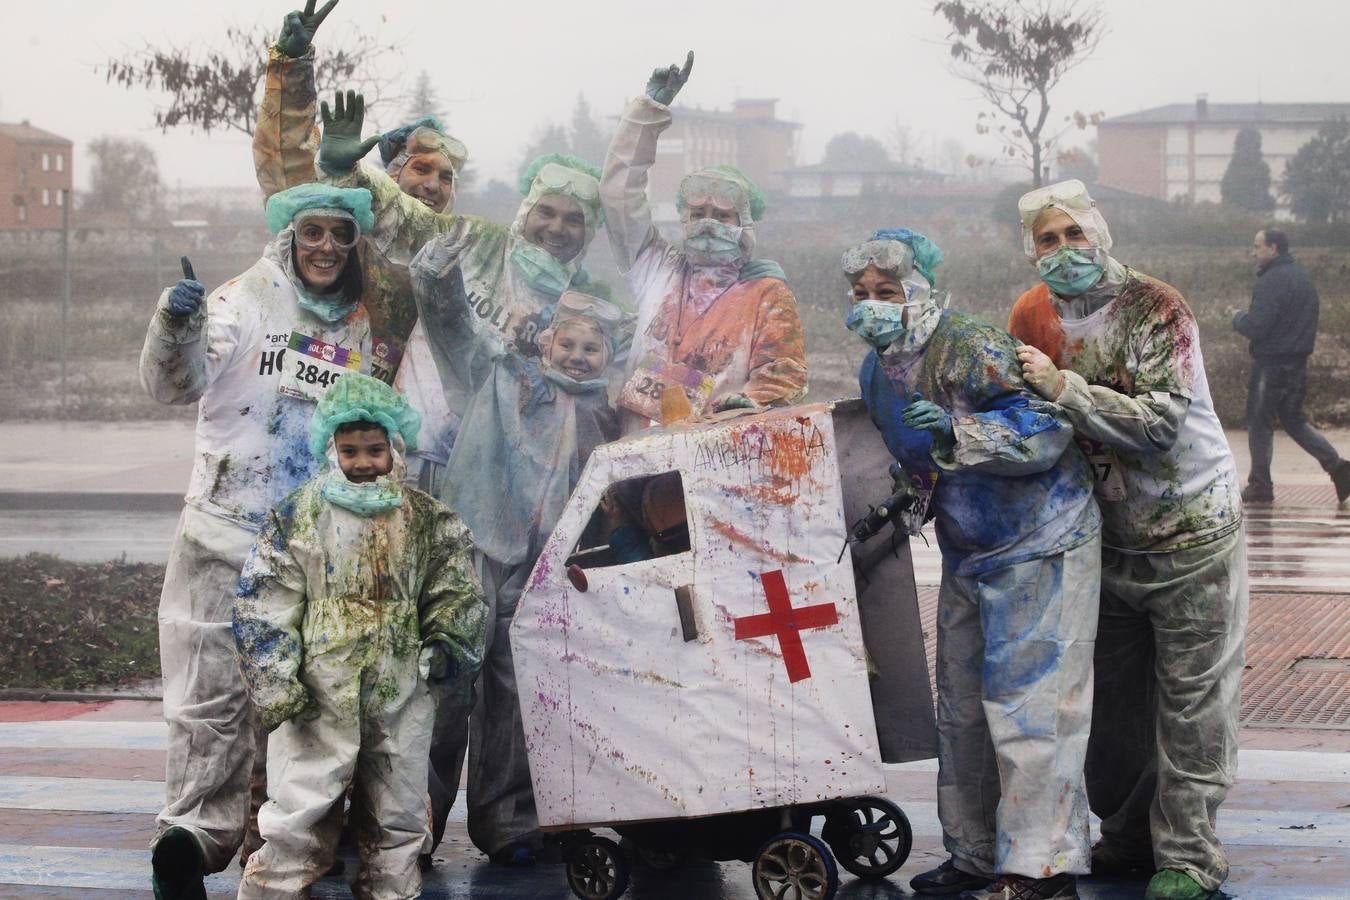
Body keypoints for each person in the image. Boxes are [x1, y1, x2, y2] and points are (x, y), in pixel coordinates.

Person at [844, 229, 1102, 900]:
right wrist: (907, 498)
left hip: (1040, 538)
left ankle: (1042, 867)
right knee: (959, 708)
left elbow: (1048, 430)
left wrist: (959, 431)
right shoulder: (876, 371)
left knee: (1029, 709)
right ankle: (972, 850)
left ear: (921, 290)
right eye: (860, 293)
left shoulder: (971, 345)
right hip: (969, 546)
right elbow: (913, 460)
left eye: (887, 292)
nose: (870, 306)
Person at [1008, 180, 1247, 900]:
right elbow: (1022, 414)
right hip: (1105, 540)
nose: (1063, 251)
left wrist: (1063, 389)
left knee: (1192, 702)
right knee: (1111, 710)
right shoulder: (1031, 314)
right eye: (1047, 240)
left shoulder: (1156, 307)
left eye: (1073, 234)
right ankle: (1130, 833)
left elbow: (1159, 423)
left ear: (1100, 232)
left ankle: (1191, 856)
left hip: (1191, 530)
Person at [140, 183, 377, 899]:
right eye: (313, 233)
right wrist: (174, 325)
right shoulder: (245, 299)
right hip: (224, 529)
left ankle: (288, 846)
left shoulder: (366, 322)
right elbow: (176, 382)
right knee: (209, 699)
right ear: (289, 235)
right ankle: (188, 839)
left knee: (307, 701)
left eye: (341, 233)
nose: (327, 247)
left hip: (315, 543)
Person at [409, 225, 623, 863]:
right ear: (547, 339)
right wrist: (438, 273)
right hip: (474, 550)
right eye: (569, 340)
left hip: (545, 569)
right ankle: (410, 822)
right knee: (445, 683)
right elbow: (451, 327)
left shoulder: (605, 414)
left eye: (594, 346)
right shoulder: (501, 373)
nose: (579, 355)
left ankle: (509, 823)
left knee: (518, 692)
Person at [234, 373, 486, 899]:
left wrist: (445, 645)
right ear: (330, 447)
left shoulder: (426, 520)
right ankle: (274, 889)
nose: (363, 462)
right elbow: (265, 600)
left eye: (375, 449)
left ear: (396, 447)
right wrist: (278, 679)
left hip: (400, 686)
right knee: (301, 799)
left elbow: (455, 588)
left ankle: (391, 888)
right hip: (319, 691)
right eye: (350, 450)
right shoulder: (300, 515)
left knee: (398, 800)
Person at [251, 0, 469, 385]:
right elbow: (287, 169)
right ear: (392, 175)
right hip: (321, 402)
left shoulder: (455, 261)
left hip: (402, 434)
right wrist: (291, 68)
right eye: (421, 168)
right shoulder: (346, 232)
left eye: (447, 177)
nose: (433, 185)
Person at [601, 52, 808, 434]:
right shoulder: (657, 268)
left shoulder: (766, 296)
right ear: (682, 220)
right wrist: (646, 114)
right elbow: (618, 195)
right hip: (633, 450)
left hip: (715, 459)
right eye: (698, 214)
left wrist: (750, 402)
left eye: (723, 215)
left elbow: (782, 373)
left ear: (745, 225)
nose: (709, 224)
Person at [1229, 225, 1350, 504]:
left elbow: (1258, 327)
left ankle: (1260, 485)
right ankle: (1337, 466)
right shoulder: (1303, 280)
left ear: (1273, 249)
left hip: (1271, 364)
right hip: (1298, 363)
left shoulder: (1269, 282)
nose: (1253, 252)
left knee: (1259, 422)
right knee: (1293, 420)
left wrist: (1237, 318)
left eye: (1258, 246)